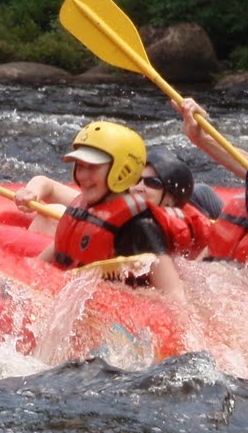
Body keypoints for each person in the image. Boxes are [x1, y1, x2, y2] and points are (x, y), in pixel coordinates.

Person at [24, 121, 186, 302]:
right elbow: (46, 260)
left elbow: (175, 297)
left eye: (92, 167)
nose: (82, 176)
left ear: (122, 171)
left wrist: (112, 294)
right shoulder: (84, 208)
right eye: (80, 165)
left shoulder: (140, 227)